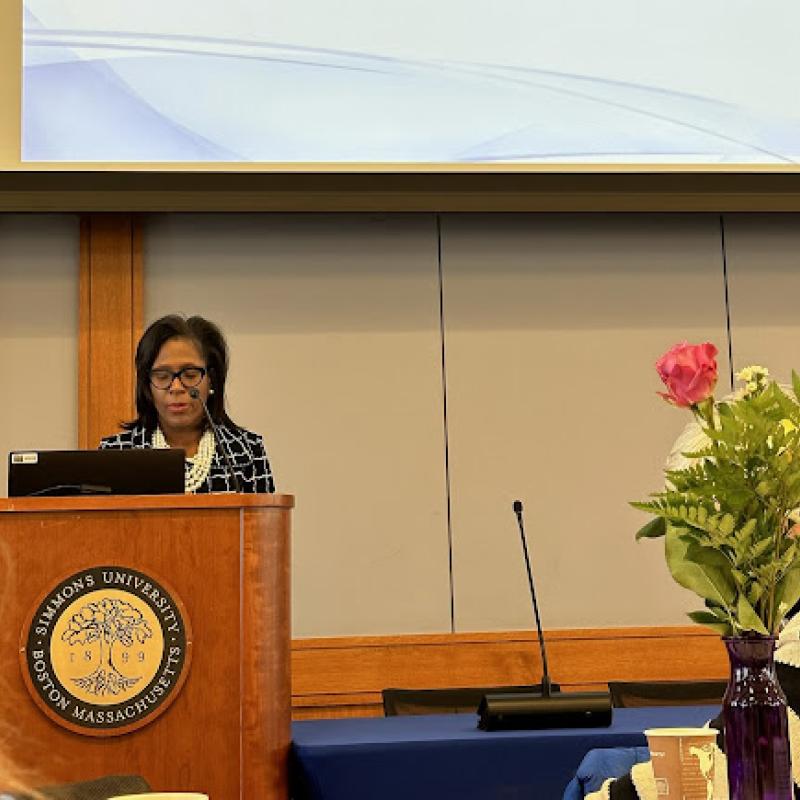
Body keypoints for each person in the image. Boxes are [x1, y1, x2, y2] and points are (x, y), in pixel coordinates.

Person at [100, 315, 275, 494]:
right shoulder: (115, 455)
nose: (176, 388)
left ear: (212, 380)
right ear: (146, 385)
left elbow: (263, 520)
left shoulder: (247, 451)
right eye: (162, 376)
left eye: (190, 375)